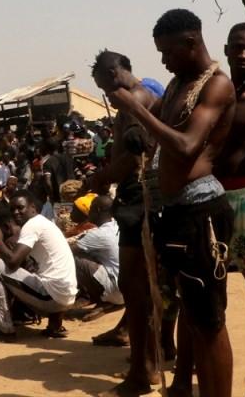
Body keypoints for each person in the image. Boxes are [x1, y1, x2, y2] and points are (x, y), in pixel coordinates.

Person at [106, 8, 236, 397]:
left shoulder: (217, 86)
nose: (162, 61)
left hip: (201, 213)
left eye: (167, 52)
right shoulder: (179, 83)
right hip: (177, 211)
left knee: (210, 323)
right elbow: (157, 139)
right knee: (195, 317)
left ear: (191, 42)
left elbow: (185, 146)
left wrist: (137, 111)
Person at [167, 22, 245, 397]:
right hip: (209, 201)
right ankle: (182, 379)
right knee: (196, 294)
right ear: (226, 47)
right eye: (238, 47)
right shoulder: (208, 92)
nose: (243, 55)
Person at [89, 50, 170, 395]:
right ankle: (152, 358)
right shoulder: (143, 98)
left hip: (139, 198)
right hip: (143, 196)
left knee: (136, 287)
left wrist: (100, 178)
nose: (106, 94)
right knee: (149, 286)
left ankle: (144, 370)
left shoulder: (136, 100)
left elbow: (135, 153)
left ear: (114, 73)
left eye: (104, 86)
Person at [0, 191, 77, 340]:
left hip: (52, 297)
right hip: (67, 296)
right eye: (12, 209)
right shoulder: (45, 223)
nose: (16, 212)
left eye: (20, 208)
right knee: (44, 273)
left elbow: (13, 263)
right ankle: (55, 325)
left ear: (33, 208)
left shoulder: (32, 225)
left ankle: (5, 330)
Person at [71, 195, 124, 307]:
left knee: (73, 257)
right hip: (128, 291)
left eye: (91, 208)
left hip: (116, 292)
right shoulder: (117, 225)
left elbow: (69, 250)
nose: (89, 212)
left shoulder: (99, 234)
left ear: (98, 210)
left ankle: (92, 296)